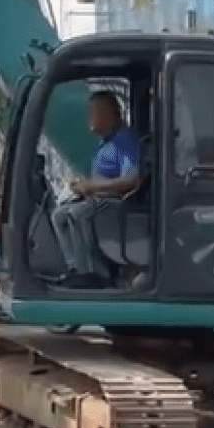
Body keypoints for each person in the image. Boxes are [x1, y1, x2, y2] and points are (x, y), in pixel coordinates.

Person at [50, 90, 142, 289]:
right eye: (90, 113)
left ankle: (95, 272)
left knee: (79, 214)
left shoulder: (125, 140)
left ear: (113, 113)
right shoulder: (104, 144)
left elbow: (131, 180)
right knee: (59, 215)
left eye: (97, 112)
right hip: (98, 198)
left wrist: (91, 187)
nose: (91, 118)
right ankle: (75, 268)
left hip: (119, 202)